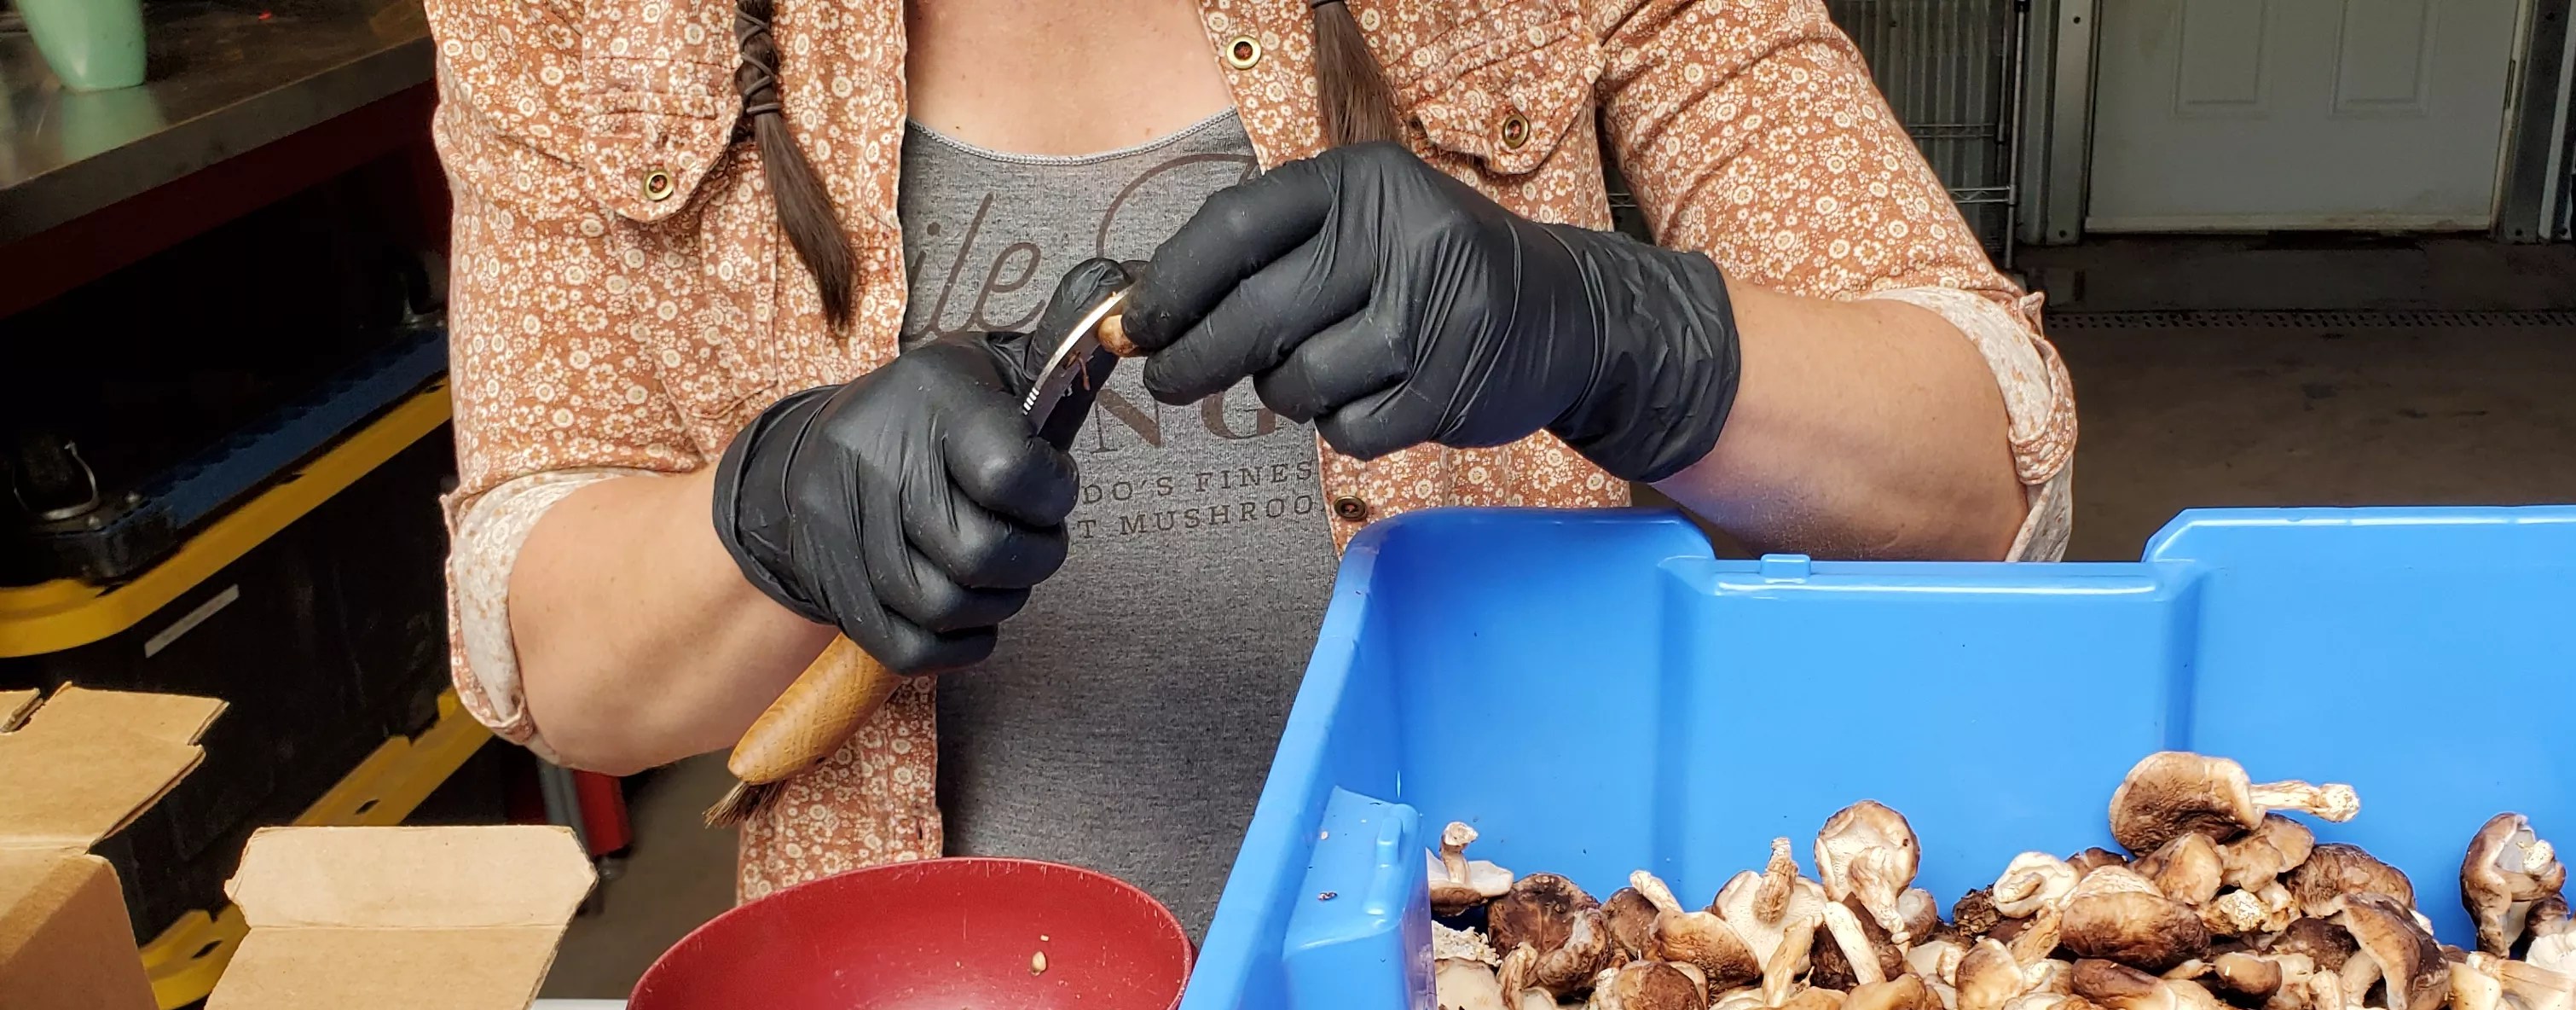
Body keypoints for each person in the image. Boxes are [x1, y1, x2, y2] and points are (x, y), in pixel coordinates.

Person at [432, 0, 2077, 932]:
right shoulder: (576, 25)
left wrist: (1614, 335)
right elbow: (546, 651)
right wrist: (771, 516)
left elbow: (1986, 466)